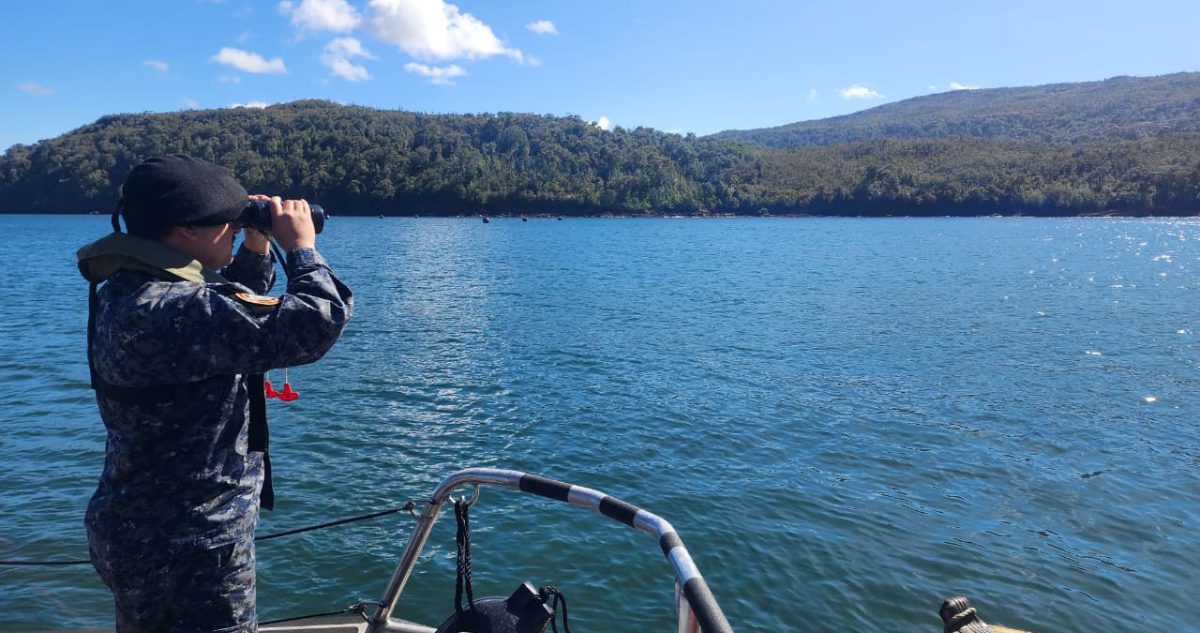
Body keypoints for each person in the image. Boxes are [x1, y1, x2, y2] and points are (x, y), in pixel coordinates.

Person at [76, 154, 354, 633]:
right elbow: (315, 321)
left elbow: (225, 326)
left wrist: (257, 245)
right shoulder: (174, 310)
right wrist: (302, 249)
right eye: (228, 222)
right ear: (185, 229)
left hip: (141, 529)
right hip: (192, 548)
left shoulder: (131, 290)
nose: (233, 228)